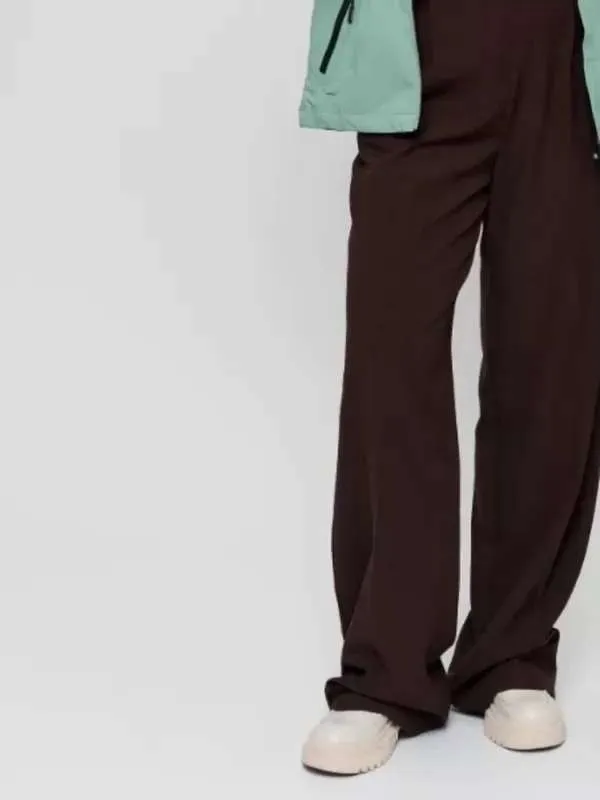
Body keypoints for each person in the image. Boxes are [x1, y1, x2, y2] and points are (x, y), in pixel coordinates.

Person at [299, 0, 600, 774]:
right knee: (391, 363)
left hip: (562, 55)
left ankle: (511, 652)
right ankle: (386, 671)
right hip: (419, 55)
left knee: (551, 364)